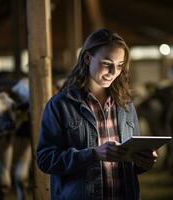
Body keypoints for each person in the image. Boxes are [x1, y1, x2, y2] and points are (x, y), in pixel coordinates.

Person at [36, 29, 158, 200]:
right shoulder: (61, 105)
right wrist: (93, 154)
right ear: (87, 58)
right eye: (107, 63)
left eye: (119, 65)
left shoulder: (126, 105)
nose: (113, 72)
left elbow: (130, 162)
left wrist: (143, 162)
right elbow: (45, 159)